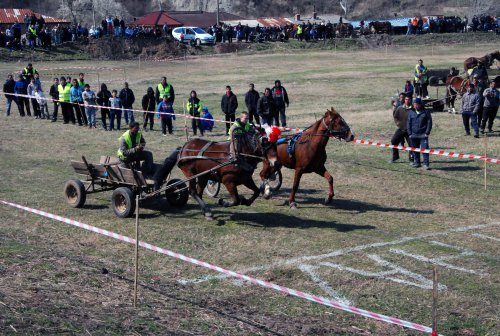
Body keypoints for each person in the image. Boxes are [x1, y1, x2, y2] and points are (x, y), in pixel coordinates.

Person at [407, 97, 432, 170]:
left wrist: (427, 132)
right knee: (415, 150)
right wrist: (409, 134)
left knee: (425, 150)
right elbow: (408, 123)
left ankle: (426, 164)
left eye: (417, 104)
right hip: (413, 135)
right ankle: (417, 162)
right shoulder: (411, 112)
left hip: (423, 135)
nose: (415, 106)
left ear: (420, 105)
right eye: (414, 104)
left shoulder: (426, 112)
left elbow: (429, 122)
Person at [390, 95, 413, 163]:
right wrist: (398, 124)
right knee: (393, 141)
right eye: (406, 99)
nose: (407, 100)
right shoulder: (400, 108)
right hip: (401, 129)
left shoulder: (413, 109)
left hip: (409, 131)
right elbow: (395, 116)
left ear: (410, 100)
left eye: (408, 99)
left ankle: (411, 159)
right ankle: (395, 157)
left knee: (412, 145)